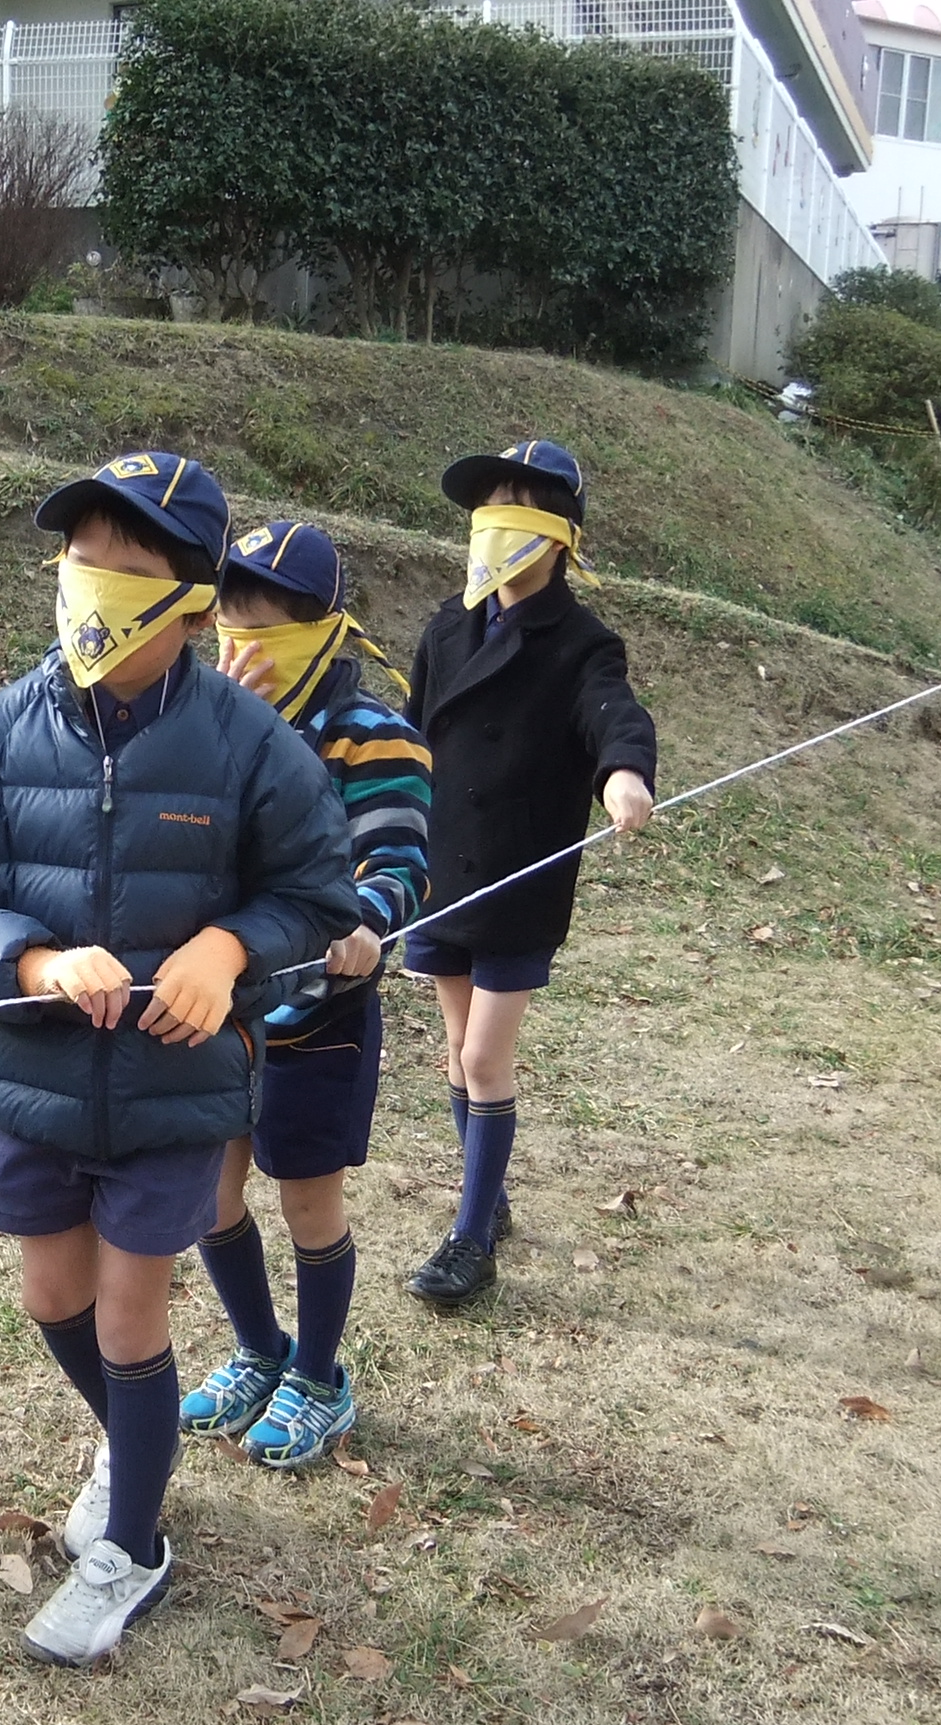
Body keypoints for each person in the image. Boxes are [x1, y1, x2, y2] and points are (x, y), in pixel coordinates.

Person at [0, 453, 356, 1665]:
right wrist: (31, 964)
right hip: (37, 1084)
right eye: (81, 559)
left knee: (130, 1315)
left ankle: (133, 1546)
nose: (93, 588)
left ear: (194, 603)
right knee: (54, 1299)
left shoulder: (249, 743)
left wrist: (224, 946)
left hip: (175, 1094)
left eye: (130, 568)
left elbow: (316, 892)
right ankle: (136, 1445)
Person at [180, 521, 429, 1468]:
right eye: (229, 623)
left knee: (308, 1205)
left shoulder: (374, 738)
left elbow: (399, 857)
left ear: (326, 630)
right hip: (217, 1005)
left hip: (318, 1012)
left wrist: (367, 923)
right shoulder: (200, 719)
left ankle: (320, 1377)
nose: (243, 648)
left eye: (268, 627)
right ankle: (258, 1351)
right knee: (210, 1193)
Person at [403, 441, 655, 1312]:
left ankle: (472, 1238)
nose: (495, 528)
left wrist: (624, 771)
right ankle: (490, 1192)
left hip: (517, 878)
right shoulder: (446, 626)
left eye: (519, 510)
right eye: (487, 511)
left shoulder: (582, 643)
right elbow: (409, 733)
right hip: (441, 871)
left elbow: (612, 713)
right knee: (455, 1046)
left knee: (484, 1054)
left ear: (562, 537)